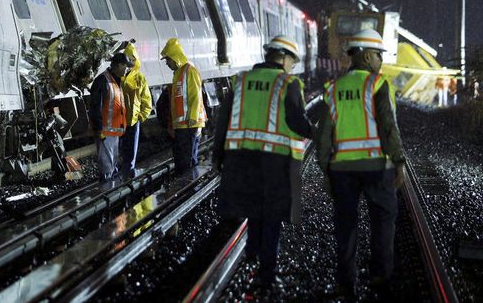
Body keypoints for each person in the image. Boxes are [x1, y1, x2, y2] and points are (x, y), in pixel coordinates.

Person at [213, 35, 314, 288]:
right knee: (272, 215)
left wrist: (218, 155)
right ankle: (267, 273)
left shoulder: (241, 80)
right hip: (275, 161)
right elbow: (296, 121)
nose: (292, 65)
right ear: (283, 57)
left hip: (241, 159)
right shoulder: (287, 83)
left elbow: (223, 121)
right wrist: (318, 131)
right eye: (292, 60)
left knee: (253, 210)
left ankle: (252, 255)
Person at [316, 29, 406, 298]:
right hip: (377, 167)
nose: (381, 60)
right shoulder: (377, 84)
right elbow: (388, 127)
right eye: (379, 55)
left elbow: (324, 135)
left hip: (342, 170)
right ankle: (380, 278)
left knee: (345, 224)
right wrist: (399, 160)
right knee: (383, 220)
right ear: (367, 55)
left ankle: (346, 282)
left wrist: (325, 169)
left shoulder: (333, 89)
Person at [160, 38, 207, 178]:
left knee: (187, 162)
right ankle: (186, 186)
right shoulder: (179, 73)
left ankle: (190, 187)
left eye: (168, 60)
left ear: (175, 58)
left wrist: (192, 117)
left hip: (189, 124)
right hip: (182, 126)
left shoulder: (189, 70)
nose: (167, 63)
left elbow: (196, 95)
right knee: (182, 161)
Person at [89, 53, 133, 181]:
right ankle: (106, 191)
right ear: (118, 65)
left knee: (112, 165)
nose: (127, 69)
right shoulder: (103, 81)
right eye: (126, 66)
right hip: (104, 133)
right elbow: (95, 107)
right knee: (107, 167)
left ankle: (111, 190)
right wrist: (98, 129)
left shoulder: (115, 81)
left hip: (114, 132)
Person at [119, 43, 152, 178]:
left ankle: (128, 174)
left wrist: (141, 116)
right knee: (120, 150)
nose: (130, 63)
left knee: (130, 151)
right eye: (128, 60)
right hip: (119, 121)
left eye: (133, 59)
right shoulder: (118, 76)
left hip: (133, 121)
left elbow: (146, 100)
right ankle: (121, 174)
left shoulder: (140, 78)